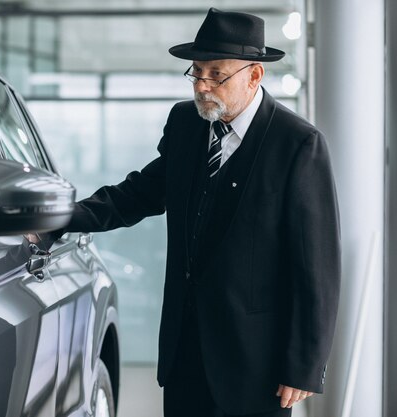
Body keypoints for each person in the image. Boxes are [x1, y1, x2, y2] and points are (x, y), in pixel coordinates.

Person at [46, 8, 341, 417]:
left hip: (256, 364)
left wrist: (305, 365)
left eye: (216, 74)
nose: (202, 86)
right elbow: (141, 193)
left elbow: (317, 268)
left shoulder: (298, 145)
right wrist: (59, 219)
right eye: (196, 72)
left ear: (254, 75)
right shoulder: (185, 124)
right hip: (185, 352)